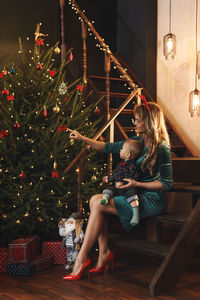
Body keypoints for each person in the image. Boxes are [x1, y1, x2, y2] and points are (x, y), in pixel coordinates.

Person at [63, 102, 173, 281]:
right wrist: (83, 138)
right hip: (135, 192)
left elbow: (166, 184)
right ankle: (104, 252)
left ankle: (81, 259)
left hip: (152, 199)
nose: (134, 123)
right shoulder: (136, 141)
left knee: (98, 204)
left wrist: (137, 183)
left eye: (138, 120)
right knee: (94, 200)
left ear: (148, 121)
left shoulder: (162, 147)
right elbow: (108, 147)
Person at [102, 139, 142, 226]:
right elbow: (116, 175)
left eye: (122, 149)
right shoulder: (120, 165)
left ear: (128, 154)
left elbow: (133, 176)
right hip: (118, 187)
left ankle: (136, 213)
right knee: (109, 189)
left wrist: (123, 183)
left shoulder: (133, 165)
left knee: (132, 194)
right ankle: (105, 198)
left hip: (128, 187)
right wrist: (109, 179)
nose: (120, 150)